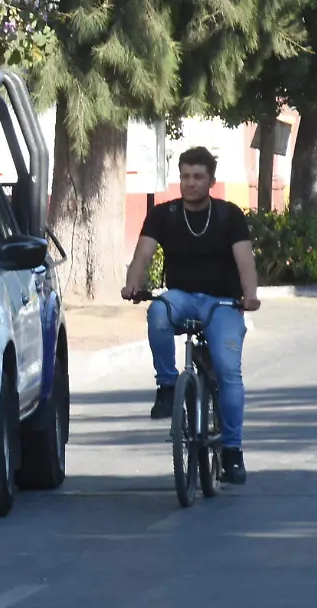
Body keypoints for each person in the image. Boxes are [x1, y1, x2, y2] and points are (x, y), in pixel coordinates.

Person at [121, 146, 261, 485]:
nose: (190, 183)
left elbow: (245, 260)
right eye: (185, 176)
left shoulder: (228, 215)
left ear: (211, 180)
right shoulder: (164, 215)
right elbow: (143, 254)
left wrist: (250, 295)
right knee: (157, 312)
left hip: (221, 303)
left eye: (198, 177)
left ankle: (232, 451)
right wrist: (132, 284)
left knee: (229, 373)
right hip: (181, 297)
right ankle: (168, 387)